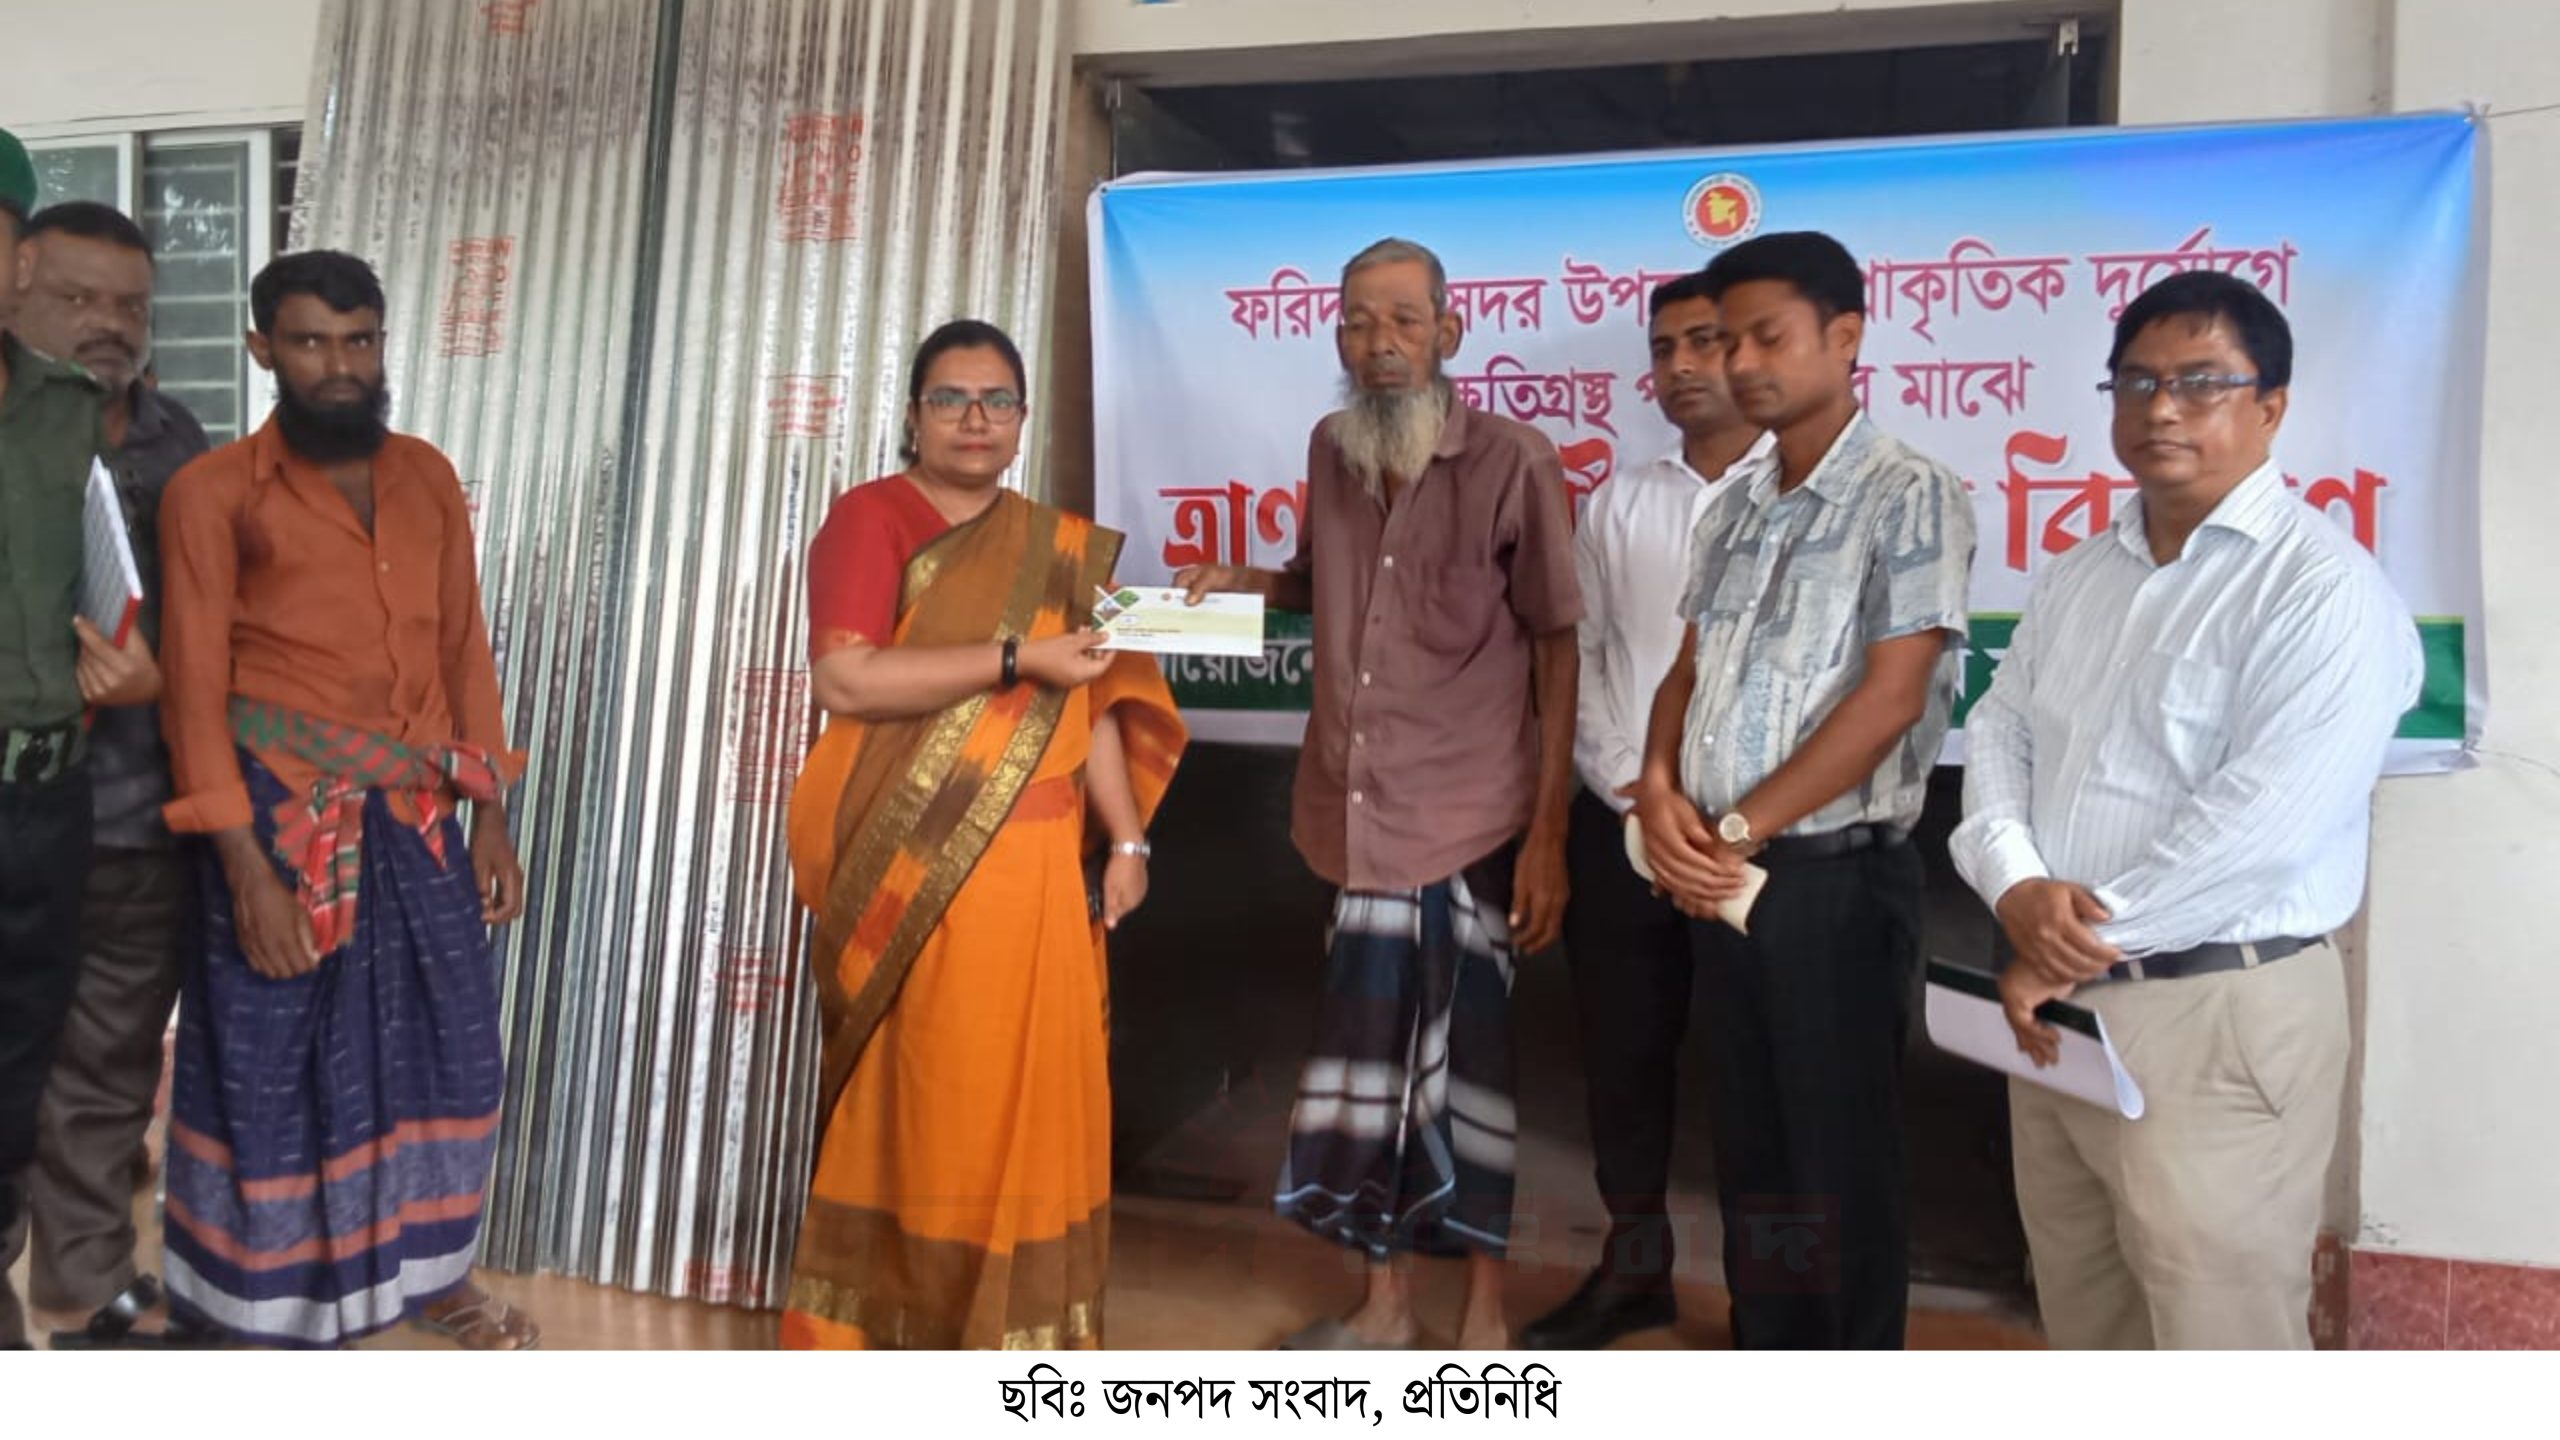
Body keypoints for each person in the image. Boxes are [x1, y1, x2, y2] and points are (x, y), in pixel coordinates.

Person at [1949, 272, 2420, 1350]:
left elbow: (2263, 827)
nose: (2162, 408)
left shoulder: (2321, 590)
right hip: (2058, 1007)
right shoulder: (2078, 573)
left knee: (2220, 1336)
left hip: (2215, 1010)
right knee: (2088, 1318)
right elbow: (2002, 730)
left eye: (2202, 383)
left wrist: (2067, 942)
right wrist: (2016, 884)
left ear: (2270, 407)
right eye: (2138, 382)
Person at [1178, 237, 1582, 1351]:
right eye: (1358, 321)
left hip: (1469, 818)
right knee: (1367, 1076)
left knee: (1468, 1078)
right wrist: (1248, 582)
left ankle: (1484, 1318)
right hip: (1353, 812)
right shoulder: (1333, 447)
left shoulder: (1515, 461)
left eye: (1403, 319)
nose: (1379, 343)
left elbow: (1558, 646)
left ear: (1450, 332)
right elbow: (1320, 582)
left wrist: (1549, 836)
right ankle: (1387, 1305)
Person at [155, 250, 537, 1349]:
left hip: (419, 815)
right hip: (279, 818)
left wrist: (491, 813)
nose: (339, 365)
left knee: (449, 1051)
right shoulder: (213, 493)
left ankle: (434, 1277)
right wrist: (245, 872)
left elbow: (463, 646)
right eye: (312, 342)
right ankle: (255, 1306)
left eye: (359, 340)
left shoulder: (425, 476)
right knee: (271, 1063)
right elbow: (191, 694)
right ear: (263, 349)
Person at [782, 318, 1187, 1351]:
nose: (975, 418)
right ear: (913, 416)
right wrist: (1016, 658)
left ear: (1021, 418)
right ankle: (896, 1331)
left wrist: (1127, 842)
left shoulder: (1058, 544)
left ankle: (1017, 1336)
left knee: (1041, 1098)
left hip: (1043, 870)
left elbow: (1093, 697)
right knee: (933, 1099)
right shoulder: (869, 519)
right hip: (918, 867)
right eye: (951, 399)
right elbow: (846, 678)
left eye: (996, 400)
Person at [1630, 230, 1976, 1350]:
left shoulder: (1910, 493)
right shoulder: (1735, 507)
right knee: (1755, 1153)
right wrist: (1656, 791)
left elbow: (1889, 701)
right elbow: (1685, 672)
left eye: (1765, 338)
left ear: (1845, 336)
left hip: (1830, 886)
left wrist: (1733, 831)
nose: (1737, 364)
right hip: (1723, 883)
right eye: (1723, 341)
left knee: (1839, 1160)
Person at [1523, 270, 1770, 1350]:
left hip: (1756, 841)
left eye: (1705, 342)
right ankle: (1634, 1274)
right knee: (1622, 1068)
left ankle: (1771, 1301)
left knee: (1762, 1077)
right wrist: (1635, 790)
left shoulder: (1803, 494)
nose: (1681, 366)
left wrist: (1724, 816)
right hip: (1620, 823)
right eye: (1664, 348)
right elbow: (1578, 660)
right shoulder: (1620, 501)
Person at [0, 201, 212, 1350]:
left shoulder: (185, 445)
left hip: (139, 808)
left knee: (110, 1063)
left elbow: (222, 629)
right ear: (19, 283)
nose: (109, 324)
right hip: (23, 796)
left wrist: (158, 678)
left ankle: (80, 1282)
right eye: (77, 299)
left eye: (130, 305)